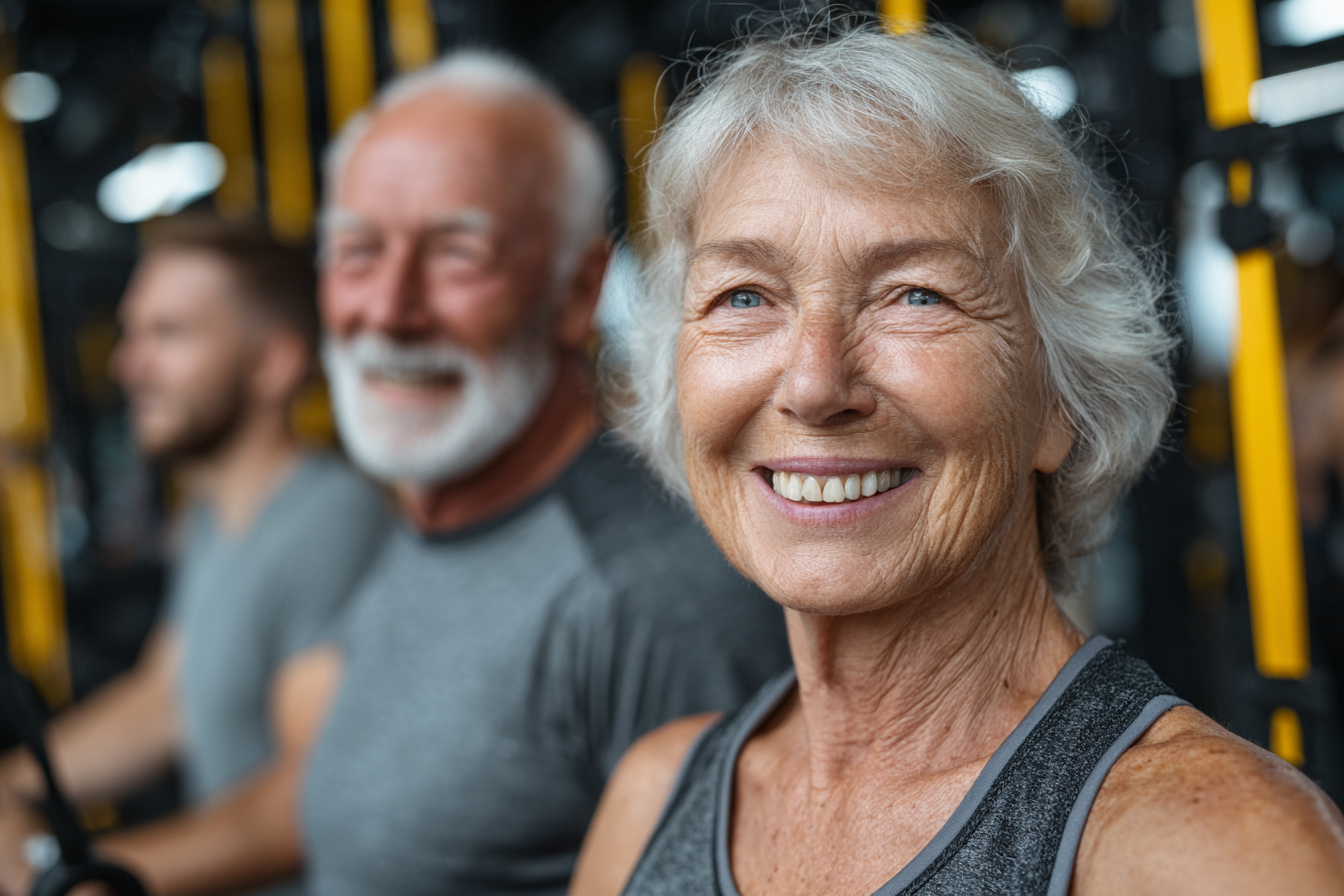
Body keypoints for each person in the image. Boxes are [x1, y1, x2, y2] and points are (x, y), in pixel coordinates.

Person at [570, 21, 1344, 896]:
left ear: (1060, 399)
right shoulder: (652, 797)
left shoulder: (1212, 850)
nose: (816, 383)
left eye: (916, 294)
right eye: (744, 295)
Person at [299, 50, 790, 896]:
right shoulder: (434, 517)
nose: (388, 308)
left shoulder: (647, 597)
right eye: (357, 252)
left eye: (458, 253)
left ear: (576, 293)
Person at [0, 218, 390, 896]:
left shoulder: (333, 520)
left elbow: (305, 805)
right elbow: (165, 698)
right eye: (133, 332)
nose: (129, 363)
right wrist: (13, 783)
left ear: (274, 364)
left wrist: (66, 879)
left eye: (169, 334)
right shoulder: (211, 517)